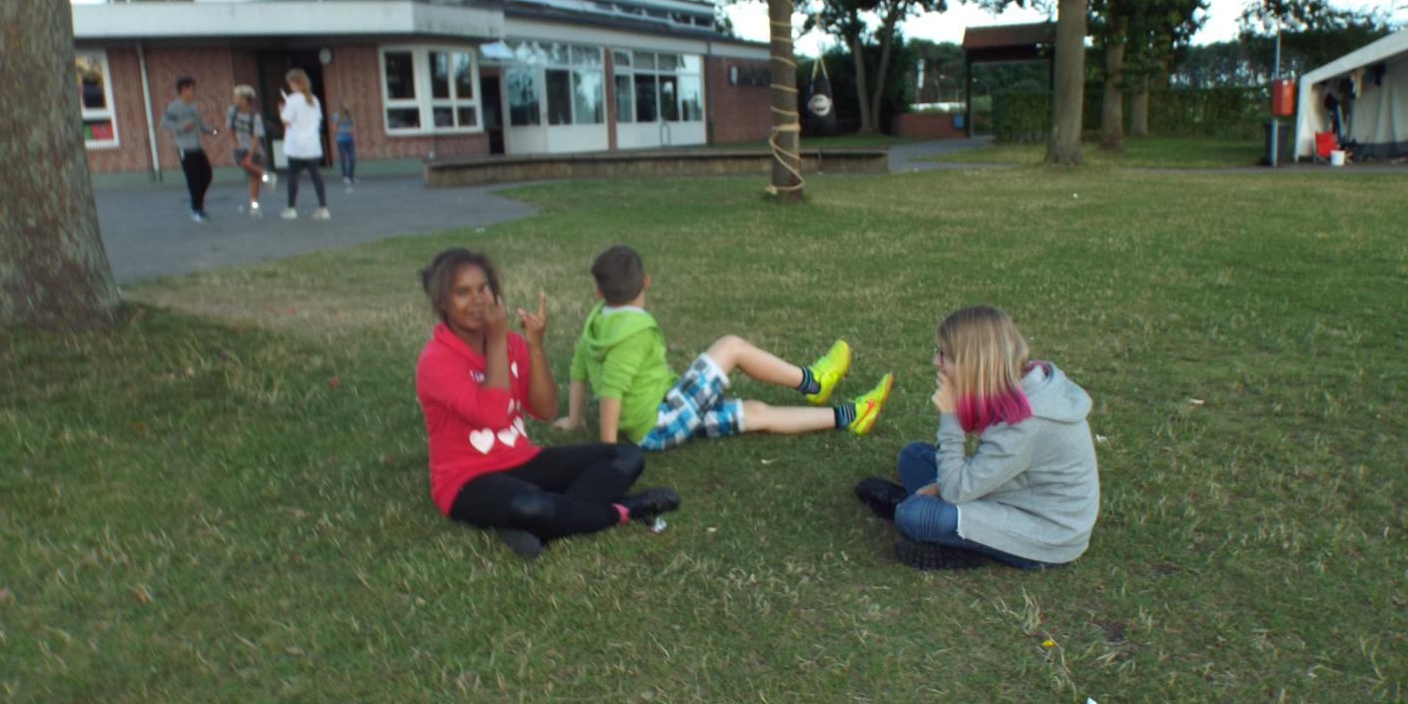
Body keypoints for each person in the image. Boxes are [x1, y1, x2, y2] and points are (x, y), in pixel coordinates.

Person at [416, 248, 680, 559]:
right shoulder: (436, 360)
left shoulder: (511, 343)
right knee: (533, 505)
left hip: (521, 459)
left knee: (626, 456)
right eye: (463, 292)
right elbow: (494, 415)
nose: (477, 300)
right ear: (442, 301)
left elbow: (545, 410)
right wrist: (497, 339)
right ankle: (624, 510)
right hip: (466, 480)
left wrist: (534, 348)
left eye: (483, 288)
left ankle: (538, 522)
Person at [556, 244, 892, 450]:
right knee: (731, 346)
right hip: (661, 420)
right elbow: (612, 392)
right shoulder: (632, 335)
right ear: (647, 281)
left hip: (663, 414)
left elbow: (578, 372)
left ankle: (852, 415)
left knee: (757, 413)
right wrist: (611, 452)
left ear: (598, 292)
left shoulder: (596, 325)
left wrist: (574, 419)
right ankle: (814, 381)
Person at [855, 305, 1099, 571]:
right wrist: (944, 486)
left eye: (944, 355)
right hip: (1012, 492)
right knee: (913, 456)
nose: (936, 362)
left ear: (971, 363)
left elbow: (955, 491)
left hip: (1046, 534)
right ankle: (938, 516)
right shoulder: (1019, 380)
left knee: (913, 515)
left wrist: (950, 415)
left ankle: (951, 538)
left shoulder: (1026, 422)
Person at [160, 76, 216, 222]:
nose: (194, 91)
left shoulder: (193, 106)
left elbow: (199, 125)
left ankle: (196, 202)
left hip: (196, 146)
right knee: (194, 179)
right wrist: (181, 126)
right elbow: (164, 124)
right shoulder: (174, 107)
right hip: (184, 147)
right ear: (183, 89)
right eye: (192, 89)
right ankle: (196, 210)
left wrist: (213, 131)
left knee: (207, 175)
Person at [277, 68, 328, 220]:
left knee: (293, 177)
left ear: (294, 83)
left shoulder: (293, 100)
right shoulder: (314, 100)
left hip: (296, 145)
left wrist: (281, 110)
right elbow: (318, 120)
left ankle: (291, 208)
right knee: (316, 177)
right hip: (312, 145)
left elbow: (286, 121)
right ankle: (323, 208)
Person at [226, 85, 276, 217]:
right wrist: (235, 143)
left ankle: (254, 207)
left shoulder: (255, 116)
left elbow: (256, 137)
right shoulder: (232, 112)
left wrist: (250, 154)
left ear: (244, 99)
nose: (234, 99)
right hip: (240, 146)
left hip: (254, 148)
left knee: (254, 178)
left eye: (236, 97)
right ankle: (267, 176)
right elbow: (230, 128)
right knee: (243, 163)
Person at [331, 102, 357, 188]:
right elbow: (334, 128)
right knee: (343, 159)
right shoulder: (337, 115)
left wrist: (352, 131)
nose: (348, 106)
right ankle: (345, 176)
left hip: (350, 140)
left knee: (352, 158)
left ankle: (351, 176)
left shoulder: (350, 115)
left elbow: (353, 126)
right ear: (342, 106)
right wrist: (346, 131)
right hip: (341, 140)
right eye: (347, 105)